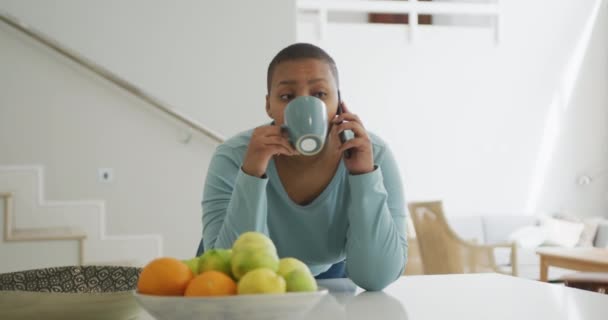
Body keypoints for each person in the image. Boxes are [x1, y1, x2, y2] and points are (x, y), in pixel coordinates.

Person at [201, 43, 407, 291]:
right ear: (269, 105)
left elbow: (377, 277)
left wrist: (363, 175)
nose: (304, 105)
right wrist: (252, 173)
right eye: (287, 96)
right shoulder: (233, 157)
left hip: (334, 276)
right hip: (252, 283)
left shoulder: (373, 154)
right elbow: (230, 270)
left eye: (320, 94)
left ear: (339, 102)